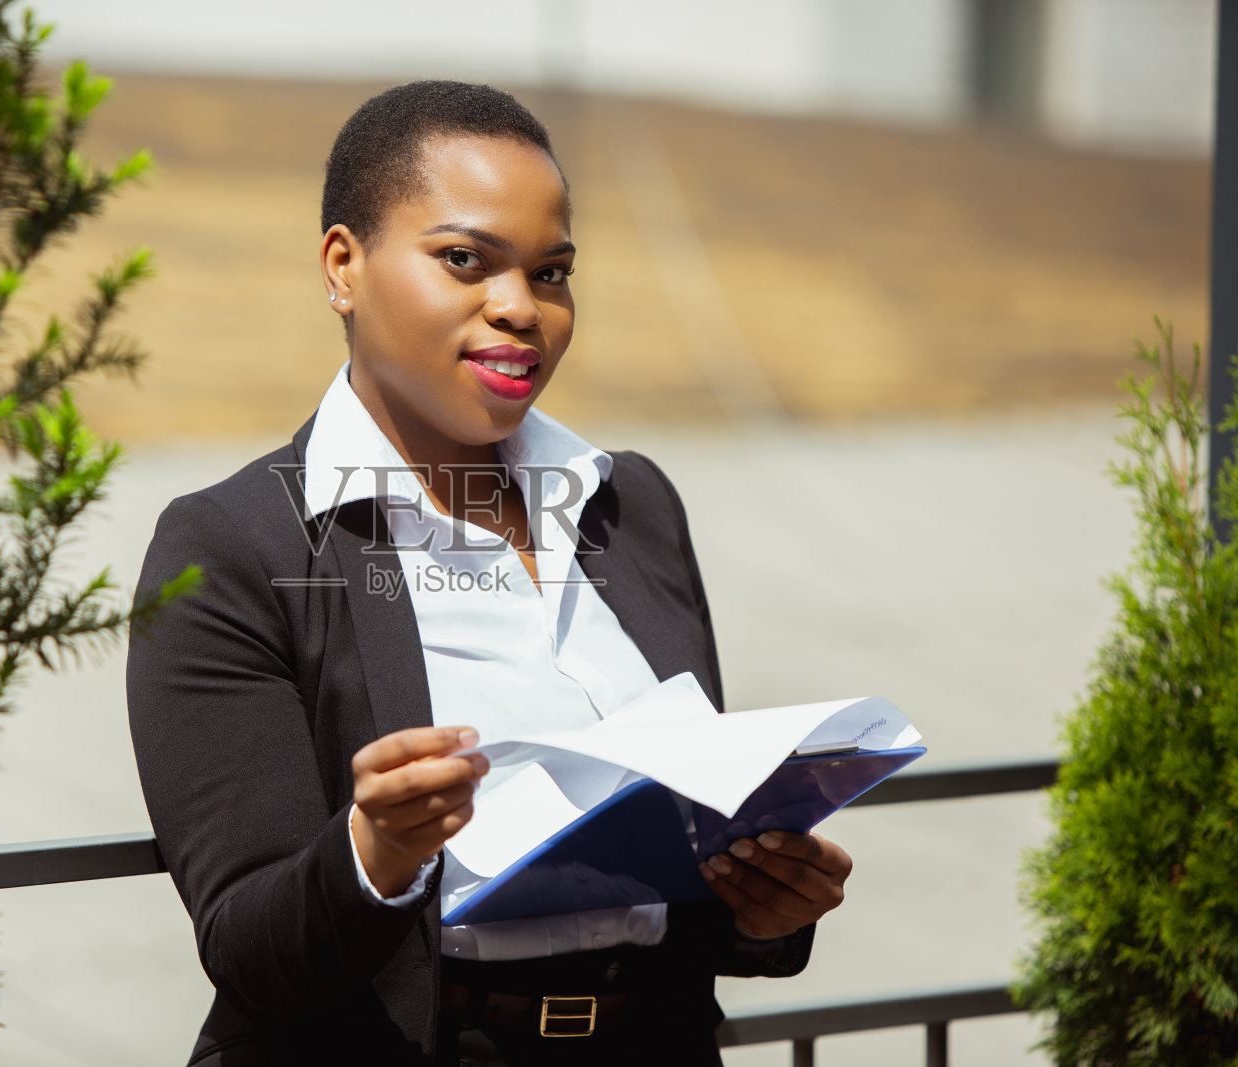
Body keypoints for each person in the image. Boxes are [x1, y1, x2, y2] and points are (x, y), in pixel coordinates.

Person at [126, 80, 853, 1066]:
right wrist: (372, 853)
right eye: (464, 259)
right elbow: (251, 947)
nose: (519, 307)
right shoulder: (236, 547)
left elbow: (672, 881)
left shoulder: (630, 505)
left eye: (550, 272)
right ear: (344, 265)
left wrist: (763, 909)